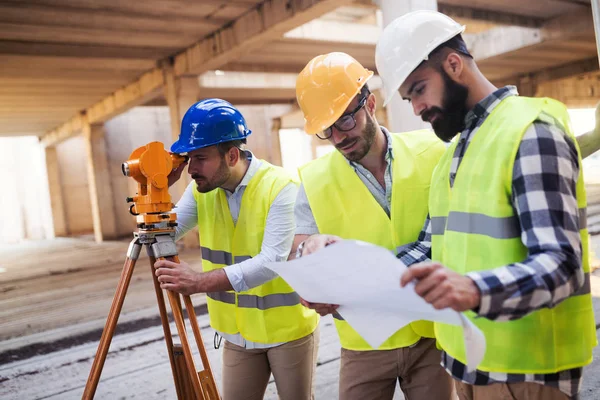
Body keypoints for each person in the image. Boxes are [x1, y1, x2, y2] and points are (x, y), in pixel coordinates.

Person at [373, 10, 597, 400]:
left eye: (420, 89)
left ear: (454, 65)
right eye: (409, 97)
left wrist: (474, 290)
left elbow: (561, 263)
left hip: (526, 373)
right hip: (465, 368)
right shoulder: (454, 153)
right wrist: (357, 280)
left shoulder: (529, 132)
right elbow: (429, 246)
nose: (417, 108)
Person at [291, 52, 454, 400]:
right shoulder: (314, 180)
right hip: (363, 342)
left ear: (371, 104)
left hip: (431, 333)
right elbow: (299, 249)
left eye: (345, 121)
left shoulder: (434, 151)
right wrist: (308, 259)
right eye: (326, 129)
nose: (337, 138)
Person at [155, 98, 319, 400]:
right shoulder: (200, 190)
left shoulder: (282, 186)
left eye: (200, 158)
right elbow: (162, 235)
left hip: (287, 331)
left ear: (232, 155)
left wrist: (199, 282)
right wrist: (157, 191)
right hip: (238, 334)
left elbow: (271, 261)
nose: (191, 169)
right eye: (189, 158)